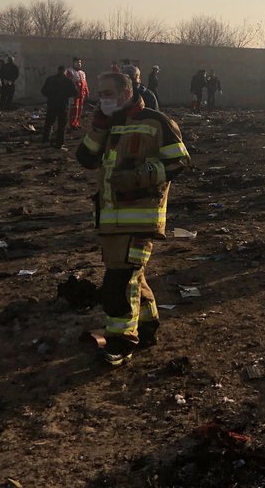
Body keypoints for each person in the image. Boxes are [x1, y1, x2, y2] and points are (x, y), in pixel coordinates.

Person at [75, 71, 191, 366]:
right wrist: (98, 127)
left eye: (109, 93)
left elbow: (178, 161)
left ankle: (120, 343)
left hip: (140, 217)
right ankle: (148, 327)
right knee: (133, 275)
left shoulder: (156, 122)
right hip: (110, 216)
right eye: (100, 94)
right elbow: (86, 159)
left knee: (118, 283)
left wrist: (141, 177)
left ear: (127, 92)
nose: (104, 99)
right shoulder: (108, 123)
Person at [41, 65, 78, 147]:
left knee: (49, 123)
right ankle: (60, 142)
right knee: (62, 125)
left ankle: (45, 139)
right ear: (65, 72)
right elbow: (75, 93)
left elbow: (43, 91)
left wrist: (50, 96)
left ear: (57, 70)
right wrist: (67, 95)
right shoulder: (68, 81)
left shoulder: (50, 79)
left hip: (52, 104)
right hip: (63, 105)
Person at [66, 58, 89, 128]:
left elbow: (85, 83)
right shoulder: (70, 71)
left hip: (81, 94)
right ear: (73, 63)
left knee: (80, 109)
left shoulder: (82, 73)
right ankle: (72, 124)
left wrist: (87, 92)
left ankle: (77, 123)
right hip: (74, 94)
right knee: (73, 109)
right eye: (77, 62)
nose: (79, 64)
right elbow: (70, 83)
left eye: (80, 62)